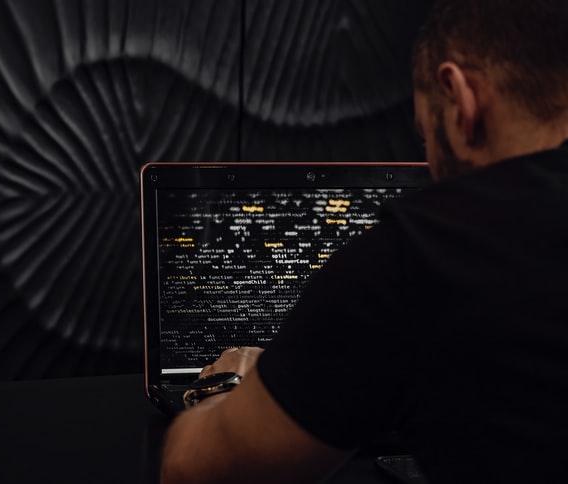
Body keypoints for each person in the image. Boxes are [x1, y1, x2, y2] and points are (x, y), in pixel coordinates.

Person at [160, 1, 568, 482]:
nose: (432, 166)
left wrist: (231, 385)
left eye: (426, 136)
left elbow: (196, 469)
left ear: (460, 99)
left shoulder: (425, 250)